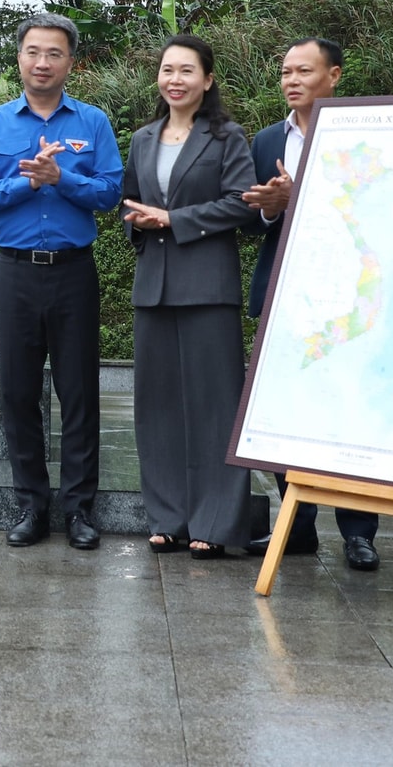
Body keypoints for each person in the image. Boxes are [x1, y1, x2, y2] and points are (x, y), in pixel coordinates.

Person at [0, 12, 124, 550]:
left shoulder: (92, 122)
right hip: (15, 273)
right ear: (19, 58)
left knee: (79, 392)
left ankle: (79, 510)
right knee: (18, 391)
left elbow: (110, 193)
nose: (42, 62)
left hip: (74, 272)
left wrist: (62, 177)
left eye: (54, 53)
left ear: (70, 62)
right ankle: (31, 505)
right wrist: (27, 182)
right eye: (33, 52)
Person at [239, 37, 382, 570]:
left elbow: (381, 210)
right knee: (285, 409)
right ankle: (296, 527)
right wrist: (273, 208)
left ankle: (359, 531)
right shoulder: (266, 140)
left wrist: (310, 198)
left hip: (348, 295)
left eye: (304, 71)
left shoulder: (363, 135)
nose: (291, 81)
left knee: (348, 411)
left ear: (335, 75)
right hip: (285, 295)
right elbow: (254, 219)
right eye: (285, 72)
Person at [121, 35, 258, 559]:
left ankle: (215, 523)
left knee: (215, 407)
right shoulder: (143, 138)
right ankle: (167, 518)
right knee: (156, 408)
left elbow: (241, 204)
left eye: (186, 70)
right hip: (153, 286)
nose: (174, 79)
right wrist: (137, 221)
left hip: (207, 286)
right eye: (167, 70)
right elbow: (130, 200)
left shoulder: (227, 137)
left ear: (207, 79)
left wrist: (173, 219)